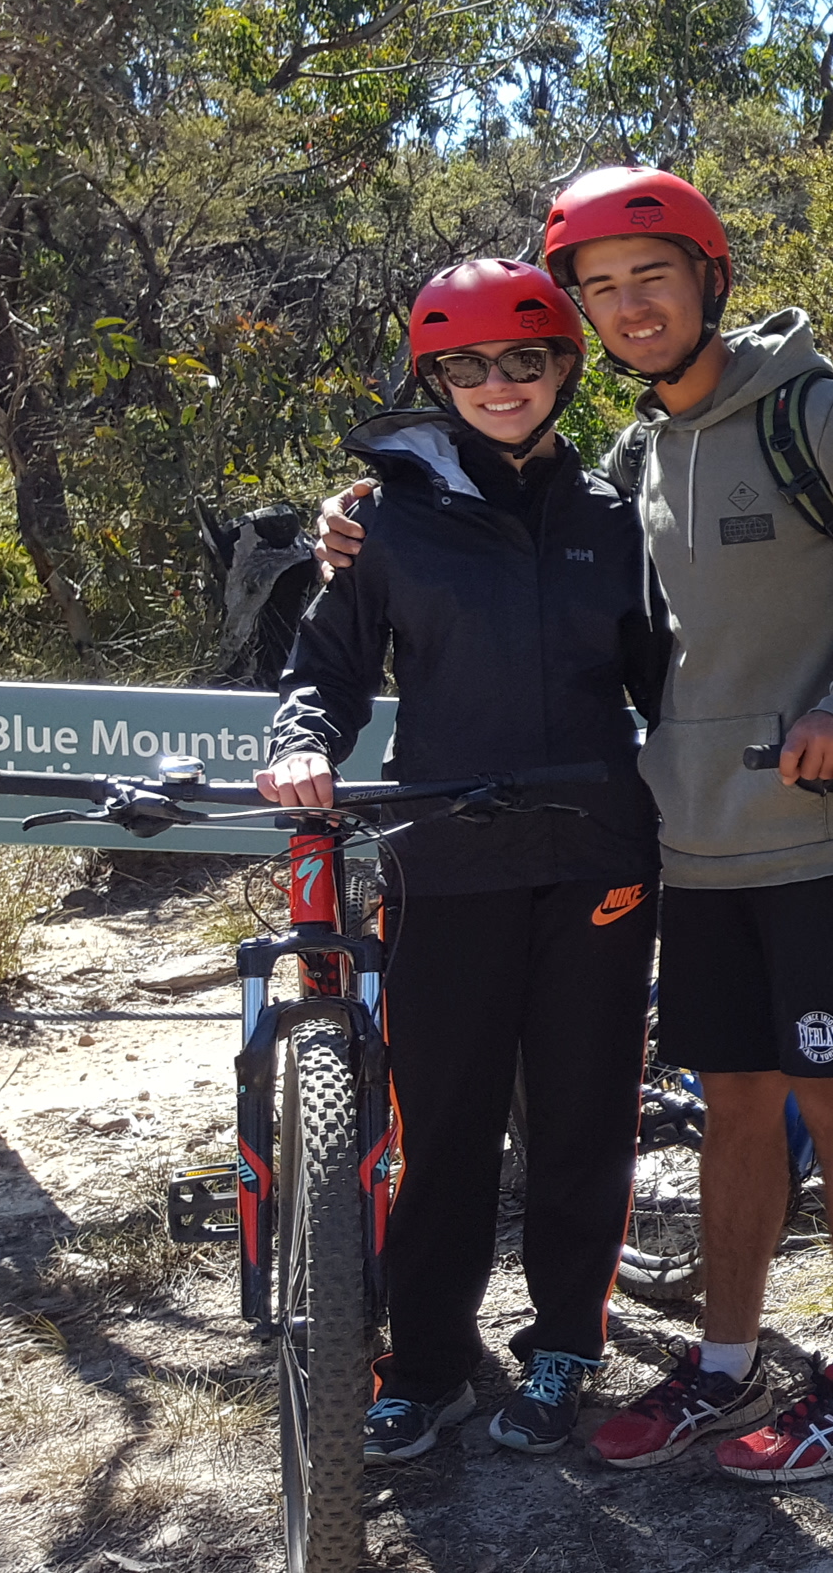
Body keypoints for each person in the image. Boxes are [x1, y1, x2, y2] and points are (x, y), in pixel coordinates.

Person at [320, 167, 833, 1482]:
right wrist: (361, 517)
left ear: (709, 280)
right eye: (603, 288)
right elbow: (505, 505)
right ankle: (725, 1365)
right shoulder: (630, 461)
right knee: (735, 1101)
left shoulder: (823, 419)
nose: (631, 308)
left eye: (654, 276)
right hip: (697, 845)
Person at [261, 258, 660, 1463]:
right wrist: (298, 747)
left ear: (566, 367)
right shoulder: (385, 519)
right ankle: (425, 1367)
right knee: (442, 1125)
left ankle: (563, 1351)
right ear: (432, 378)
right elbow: (325, 675)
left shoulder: (614, 516)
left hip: (599, 856)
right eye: (468, 366)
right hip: (446, 859)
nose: (500, 383)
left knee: (585, 1117)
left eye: (525, 359)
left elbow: (671, 686)